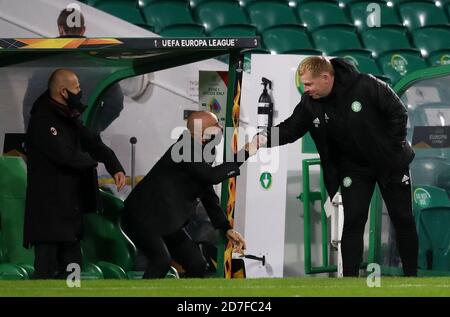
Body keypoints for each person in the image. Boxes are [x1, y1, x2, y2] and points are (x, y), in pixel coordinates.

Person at [252, 56, 418, 277]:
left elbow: (398, 113)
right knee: (353, 221)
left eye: (309, 84)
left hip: (390, 163)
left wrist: (390, 150)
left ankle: (411, 277)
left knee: (402, 218)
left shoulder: (367, 85)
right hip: (354, 169)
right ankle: (349, 282)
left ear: (325, 77)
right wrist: (261, 139)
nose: (306, 89)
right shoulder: (310, 102)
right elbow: (290, 129)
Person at [122, 111, 256, 279]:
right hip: (142, 216)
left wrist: (225, 227)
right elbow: (213, 176)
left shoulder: (203, 151)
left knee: (197, 264)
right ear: (202, 131)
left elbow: (207, 191)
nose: (221, 128)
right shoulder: (185, 148)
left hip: (165, 218)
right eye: (216, 125)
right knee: (161, 260)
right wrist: (244, 153)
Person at [24, 69, 126, 279]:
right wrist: (93, 163)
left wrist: (114, 165)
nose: (80, 92)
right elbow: (65, 157)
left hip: (69, 212)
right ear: (63, 92)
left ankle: (73, 291)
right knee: (45, 273)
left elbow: (93, 142)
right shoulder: (43, 120)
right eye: (77, 88)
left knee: (73, 272)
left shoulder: (68, 117)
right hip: (48, 214)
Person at [22, 7, 124, 133]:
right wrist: (92, 129)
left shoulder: (46, 61)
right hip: (82, 141)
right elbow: (116, 103)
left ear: (60, 29)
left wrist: (33, 134)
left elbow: (30, 105)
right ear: (83, 30)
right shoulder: (99, 64)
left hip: (50, 138)